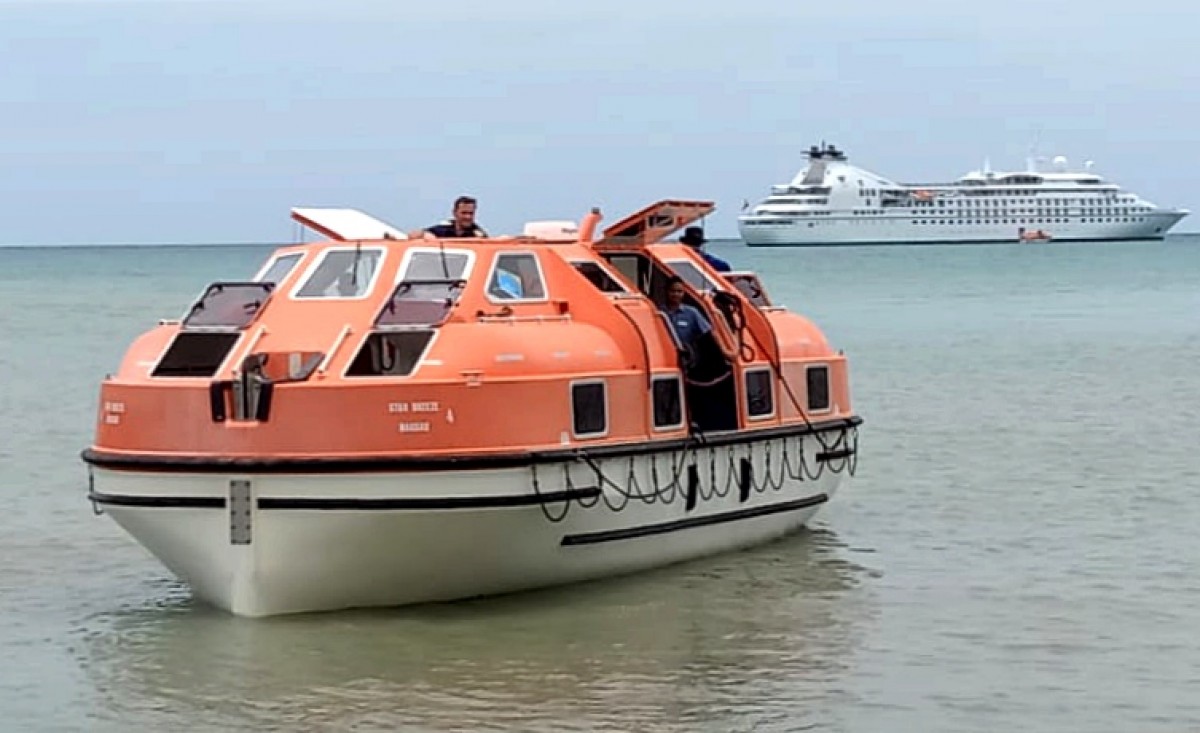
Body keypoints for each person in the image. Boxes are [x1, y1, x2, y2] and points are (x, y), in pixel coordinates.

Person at [660, 275, 712, 354]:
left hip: (686, 357)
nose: (676, 294)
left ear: (684, 293)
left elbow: (707, 333)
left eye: (679, 291)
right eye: (673, 291)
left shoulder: (692, 312)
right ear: (666, 291)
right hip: (664, 354)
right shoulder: (658, 312)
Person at [414, 196, 489, 239]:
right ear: (454, 213)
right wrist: (426, 235)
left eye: (471, 213)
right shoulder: (445, 229)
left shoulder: (478, 234)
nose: (468, 217)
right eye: (464, 213)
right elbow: (414, 234)